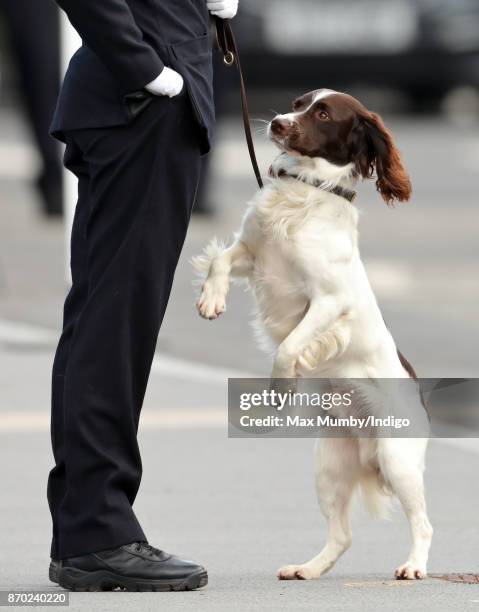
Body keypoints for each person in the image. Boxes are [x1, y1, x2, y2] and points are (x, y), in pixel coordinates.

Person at [47, 0, 238, 592]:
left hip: (148, 104)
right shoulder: (148, 84)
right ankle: (97, 534)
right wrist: (146, 71)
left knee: (107, 318)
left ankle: (91, 528)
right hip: (140, 104)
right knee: (114, 322)